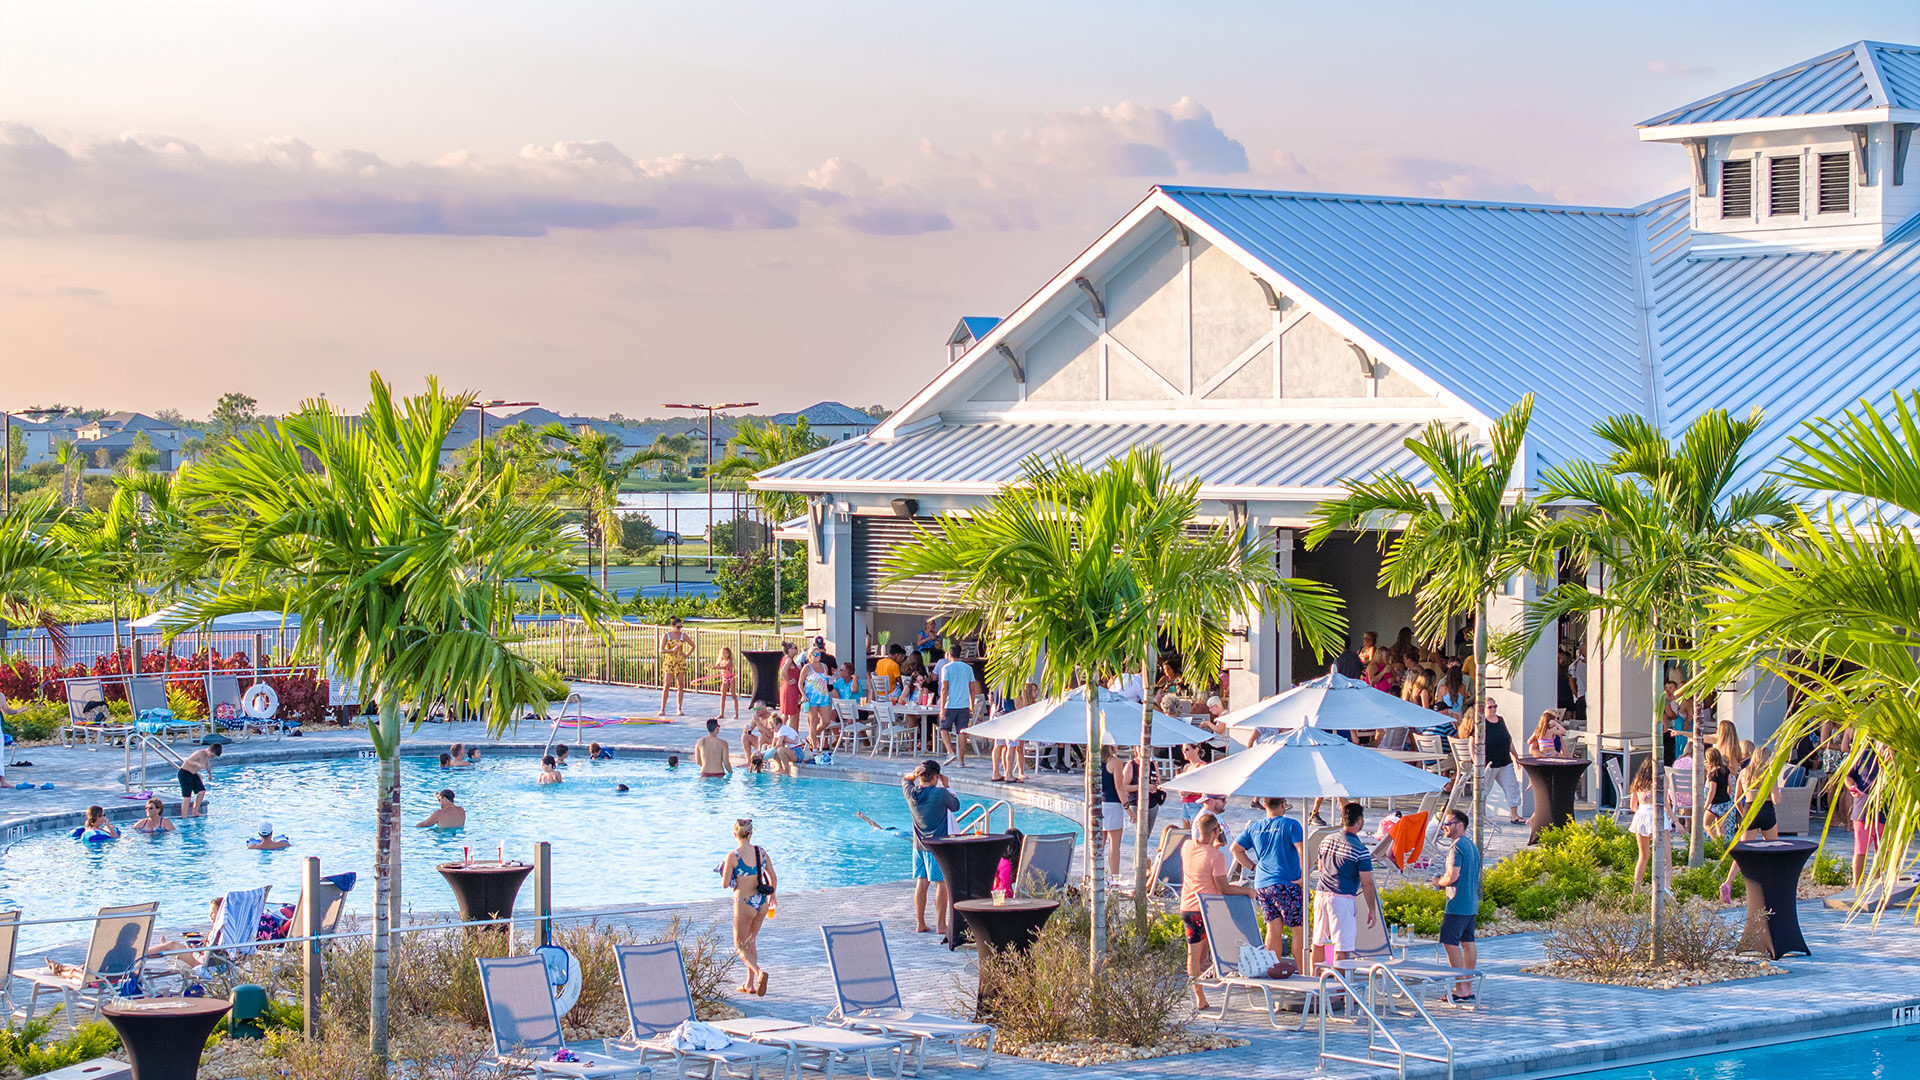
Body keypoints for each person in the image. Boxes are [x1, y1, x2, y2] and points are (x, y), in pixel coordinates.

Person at [1179, 811, 1251, 1010]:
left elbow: (1198, 849)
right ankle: (1226, 977)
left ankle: (1199, 996)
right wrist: (1247, 891)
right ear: (1215, 831)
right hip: (1209, 909)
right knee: (1229, 946)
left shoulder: (1186, 847)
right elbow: (1223, 888)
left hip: (1188, 907)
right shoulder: (1217, 857)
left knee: (1193, 954)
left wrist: (1212, 841)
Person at [1230, 797, 1305, 961]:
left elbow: (1235, 849)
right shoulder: (1291, 825)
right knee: (1298, 929)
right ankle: (1304, 972)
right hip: (1286, 883)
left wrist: (1254, 867)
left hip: (1263, 884)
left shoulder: (1255, 827)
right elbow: (1302, 851)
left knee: (1273, 930)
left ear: (1264, 805)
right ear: (1283, 805)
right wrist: (1303, 876)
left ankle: (1273, 969)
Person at [1313, 803, 1380, 970]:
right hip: (1342, 898)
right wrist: (1372, 909)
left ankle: (1318, 981)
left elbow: (1320, 867)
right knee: (1341, 945)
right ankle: (1338, 990)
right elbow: (1367, 882)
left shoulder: (1327, 840)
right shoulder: (1360, 849)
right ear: (1359, 821)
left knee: (1322, 941)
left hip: (1322, 893)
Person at [902, 760, 959, 934]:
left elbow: (905, 779)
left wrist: (913, 774)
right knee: (941, 884)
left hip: (918, 846)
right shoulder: (940, 794)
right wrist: (947, 785)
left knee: (921, 882)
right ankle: (941, 924)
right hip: (936, 847)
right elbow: (955, 806)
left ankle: (921, 923)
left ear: (920, 776)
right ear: (936, 777)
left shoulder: (911, 793)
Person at [719, 818, 775, 997]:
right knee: (751, 941)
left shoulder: (733, 856)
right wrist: (772, 896)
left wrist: (724, 871)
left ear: (734, 834)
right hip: (761, 903)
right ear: (751, 833)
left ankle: (759, 973)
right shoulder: (761, 852)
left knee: (740, 946)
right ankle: (749, 984)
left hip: (744, 903)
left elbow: (725, 884)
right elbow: (773, 877)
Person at [1431, 809, 1481, 1002]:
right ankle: (1467, 986)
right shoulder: (1472, 846)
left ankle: (1460, 986)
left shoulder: (1457, 847)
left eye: (1448, 824)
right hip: (1470, 903)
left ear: (1460, 825)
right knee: (1468, 943)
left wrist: (1438, 882)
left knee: (1449, 942)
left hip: (1457, 904)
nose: (1445, 827)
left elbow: (1453, 876)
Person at [1719, 747, 1779, 902]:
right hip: (1765, 809)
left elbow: (1737, 798)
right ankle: (1769, 885)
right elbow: (1777, 800)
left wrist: (1743, 813)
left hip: (1749, 810)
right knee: (1773, 848)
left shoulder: (1744, 773)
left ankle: (1728, 882)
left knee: (1744, 850)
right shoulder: (1769, 773)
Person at [1478, 698, 1524, 824]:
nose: (1493, 709)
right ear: (1484, 709)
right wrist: (1475, 759)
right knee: (1484, 789)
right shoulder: (1481, 722)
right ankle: (1481, 815)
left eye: (1495, 706)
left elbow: (1508, 739)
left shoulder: (1501, 720)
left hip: (1504, 760)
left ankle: (1514, 815)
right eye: (1490, 707)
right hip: (1489, 762)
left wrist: (1515, 756)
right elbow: (1473, 741)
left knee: (1512, 786)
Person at [936, 644, 980, 767]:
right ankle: (961, 761)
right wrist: (971, 704)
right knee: (962, 732)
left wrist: (942, 708)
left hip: (950, 704)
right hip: (964, 704)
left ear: (949, 655)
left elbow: (944, 688)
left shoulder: (946, 668)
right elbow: (972, 689)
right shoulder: (968, 668)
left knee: (944, 729)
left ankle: (950, 752)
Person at [1847, 743, 1885, 886]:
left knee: (1881, 851)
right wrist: (1852, 788)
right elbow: (1848, 777)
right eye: (1882, 742)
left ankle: (1876, 883)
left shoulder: (1898, 760)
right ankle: (1856, 885)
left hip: (1885, 810)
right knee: (1860, 849)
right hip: (1862, 809)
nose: (1885, 746)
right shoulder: (1864, 756)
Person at [1627, 759, 1661, 891]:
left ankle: (1636, 889)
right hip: (1655, 817)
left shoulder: (1637, 782)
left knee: (1643, 856)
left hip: (1640, 816)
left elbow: (1632, 806)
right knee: (1662, 856)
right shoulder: (1658, 782)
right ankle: (1659, 887)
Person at [1098, 745, 1128, 878]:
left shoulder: (1093, 761)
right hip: (1113, 805)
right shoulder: (1115, 762)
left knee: (1099, 844)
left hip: (1098, 804)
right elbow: (1119, 787)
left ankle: (1094, 875)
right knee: (1114, 846)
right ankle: (1115, 878)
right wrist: (1127, 808)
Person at [659, 617, 695, 716]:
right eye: (678, 627)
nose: (680, 629)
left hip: (680, 662)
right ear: (673, 626)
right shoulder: (666, 635)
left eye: (681, 627)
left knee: (680, 685)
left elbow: (693, 645)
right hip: (670, 661)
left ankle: (679, 708)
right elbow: (661, 650)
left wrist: (687, 655)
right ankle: (662, 709)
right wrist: (672, 650)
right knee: (666, 685)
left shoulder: (683, 636)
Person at [177, 743, 221, 817]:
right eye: (212, 755)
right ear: (209, 750)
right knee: (187, 796)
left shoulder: (208, 756)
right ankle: (184, 816)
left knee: (202, 791)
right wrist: (197, 764)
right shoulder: (199, 753)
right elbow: (187, 761)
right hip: (184, 773)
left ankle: (195, 812)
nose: (212, 757)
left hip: (194, 774)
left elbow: (207, 765)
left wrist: (210, 774)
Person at [777, 642, 802, 726]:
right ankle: (788, 734)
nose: (797, 649)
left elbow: (781, 675)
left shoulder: (785, 659)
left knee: (785, 714)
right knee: (792, 715)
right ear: (789, 650)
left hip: (786, 688)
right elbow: (783, 671)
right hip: (790, 689)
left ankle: (781, 733)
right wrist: (789, 681)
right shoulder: (788, 660)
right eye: (795, 648)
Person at [715, 647, 740, 719]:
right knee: (723, 696)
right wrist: (711, 666)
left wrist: (715, 667)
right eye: (723, 653)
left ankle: (736, 714)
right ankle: (721, 713)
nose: (725, 654)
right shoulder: (721, 661)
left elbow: (724, 667)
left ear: (729, 654)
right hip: (724, 679)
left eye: (726, 653)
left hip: (730, 679)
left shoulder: (729, 661)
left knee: (733, 696)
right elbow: (717, 666)